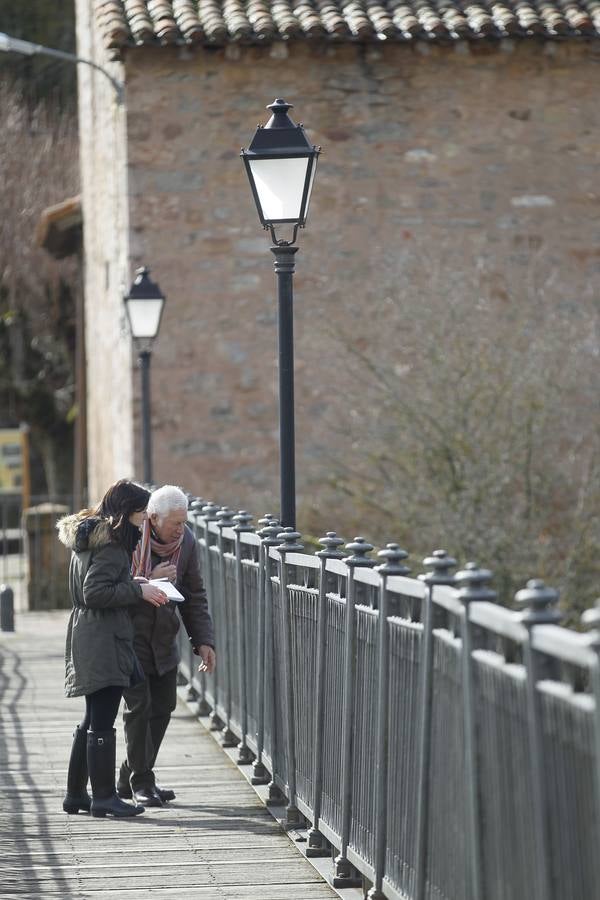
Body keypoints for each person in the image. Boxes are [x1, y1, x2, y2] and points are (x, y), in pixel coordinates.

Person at [57, 479, 168, 818]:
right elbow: (96, 592)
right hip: (103, 637)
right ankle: (104, 797)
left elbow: (97, 585)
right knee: (102, 717)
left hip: (90, 632)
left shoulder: (92, 537)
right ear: (129, 512)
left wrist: (131, 584)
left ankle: (77, 794)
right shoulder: (112, 545)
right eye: (142, 514)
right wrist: (138, 593)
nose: (145, 521)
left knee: (92, 716)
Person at [116, 484, 216, 807]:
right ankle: (142, 781)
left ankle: (128, 773)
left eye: (184, 521)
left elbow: (194, 594)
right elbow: (113, 586)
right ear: (153, 518)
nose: (181, 528)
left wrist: (203, 641)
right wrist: (149, 578)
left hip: (164, 638)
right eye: (175, 522)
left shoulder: (186, 543)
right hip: (130, 636)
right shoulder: (129, 535)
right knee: (139, 708)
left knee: (163, 708)